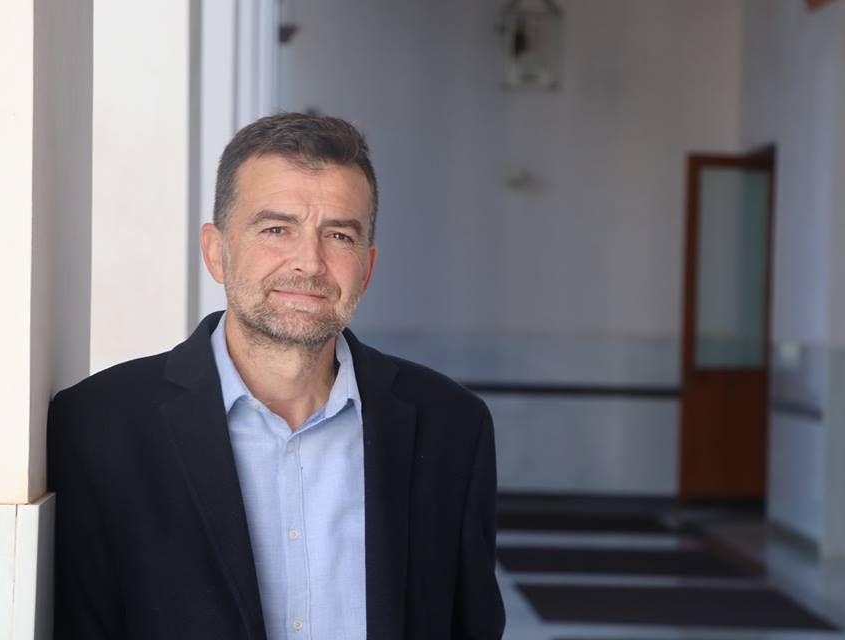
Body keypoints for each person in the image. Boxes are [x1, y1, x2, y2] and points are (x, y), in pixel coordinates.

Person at [47, 112, 506, 640]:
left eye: (338, 235)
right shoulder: (101, 427)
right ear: (217, 251)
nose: (309, 263)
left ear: (368, 266)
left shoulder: (452, 428)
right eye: (276, 229)